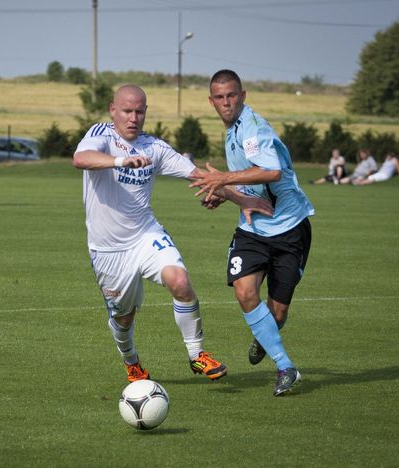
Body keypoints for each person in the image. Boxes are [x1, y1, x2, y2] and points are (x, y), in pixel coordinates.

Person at [72, 84, 273, 384]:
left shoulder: (154, 148)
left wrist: (241, 199)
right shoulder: (100, 135)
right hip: (108, 250)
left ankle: (197, 356)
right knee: (123, 319)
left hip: (145, 234)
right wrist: (120, 161)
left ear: (146, 113)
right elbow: (81, 159)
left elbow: (199, 175)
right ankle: (132, 363)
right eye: (127, 110)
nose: (133, 117)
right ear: (113, 109)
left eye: (139, 111)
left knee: (180, 281)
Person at [190, 69, 315, 396]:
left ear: (242, 95)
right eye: (219, 97)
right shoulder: (230, 132)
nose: (226, 102)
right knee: (245, 292)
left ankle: (266, 337)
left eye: (232, 95)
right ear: (211, 101)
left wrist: (223, 181)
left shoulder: (253, 129)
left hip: (290, 229)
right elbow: (253, 189)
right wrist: (226, 194)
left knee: (278, 313)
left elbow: (271, 171)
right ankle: (286, 367)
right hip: (253, 231)